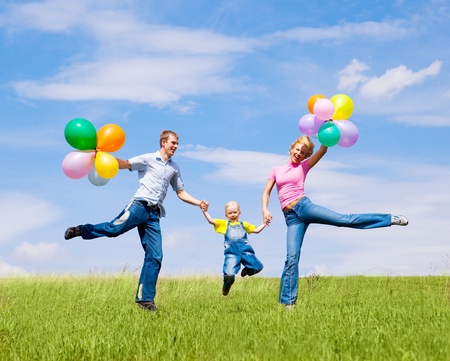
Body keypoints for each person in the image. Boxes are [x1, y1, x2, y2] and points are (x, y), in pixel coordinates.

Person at [64, 130, 208, 312]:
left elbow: (180, 192)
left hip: (154, 216)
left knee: (155, 256)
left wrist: (198, 203)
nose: (176, 146)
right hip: (138, 207)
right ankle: (80, 230)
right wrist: (103, 155)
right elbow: (125, 164)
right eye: (173, 143)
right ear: (163, 142)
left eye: (177, 144)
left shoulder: (174, 168)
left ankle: (145, 300)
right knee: (113, 229)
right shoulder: (148, 159)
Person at [261, 135, 408, 310]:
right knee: (291, 258)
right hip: (291, 218)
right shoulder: (276, 170)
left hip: (304, 206)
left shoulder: (304, 167)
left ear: (306, 156)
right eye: (297, 149)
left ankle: (389, 219)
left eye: (304, 152)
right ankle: (289, 304)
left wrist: (326, 129)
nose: (299, 153)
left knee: (343, 220)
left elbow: (323, 149)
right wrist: (265, 209)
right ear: (291, 148)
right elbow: (267, 192)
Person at [201, 200, 265, 296]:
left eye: (235, 212)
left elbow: (256, 230)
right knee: (230, 275)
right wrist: (205, 211)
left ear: (239, 213)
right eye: (230, 213)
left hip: (246, 252)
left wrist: (264, 223)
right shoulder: (225, 224)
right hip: (232, 254)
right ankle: (227, 284)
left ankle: (247, 270)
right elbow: (211, 221)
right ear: (226, 215)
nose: (233, 215)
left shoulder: (244, 224)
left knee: (258, 267)